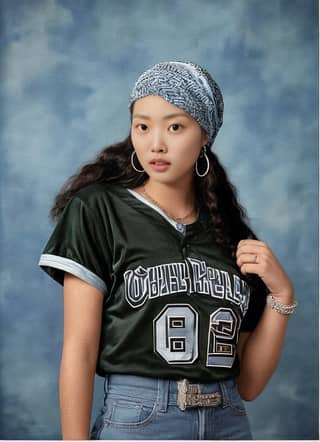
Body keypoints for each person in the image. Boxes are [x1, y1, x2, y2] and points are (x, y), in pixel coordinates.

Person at [38, 61, 297, 440]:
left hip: (228, 422)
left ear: (204, 134)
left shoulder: (231, 234)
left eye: (175, 126)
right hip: (139, 420)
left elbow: (249, 385)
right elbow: (80, 347)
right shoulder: (98, 209)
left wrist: (282, 295)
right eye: (142, 126)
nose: (155, 143)